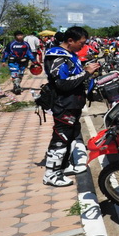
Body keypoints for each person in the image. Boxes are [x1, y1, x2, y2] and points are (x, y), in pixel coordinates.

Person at [42, 26, 101, 187]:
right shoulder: (57, 56)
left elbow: (74, 74)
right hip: (64, 104)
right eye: (81, 43)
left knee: (72, 133)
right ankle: (51, 174)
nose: (83, 46)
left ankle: (62, 165)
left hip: (74, 102)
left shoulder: (70, 55)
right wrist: (86, 72)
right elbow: (62, 84)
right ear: (70, 41)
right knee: (61, 137)